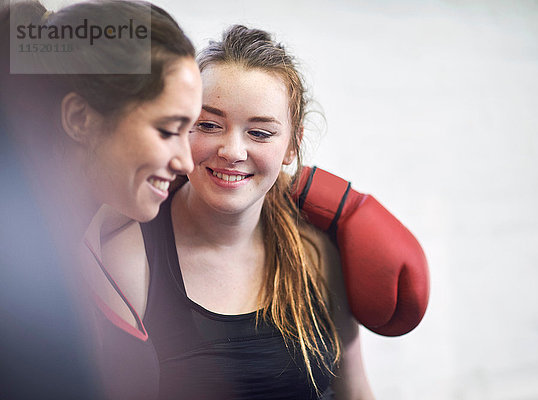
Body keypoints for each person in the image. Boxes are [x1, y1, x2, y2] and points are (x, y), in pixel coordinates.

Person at [140, 25, 375, 399]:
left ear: (291, 148)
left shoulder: (316, 252)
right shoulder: (134, 246)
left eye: (260, 133)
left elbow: (355, 389)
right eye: (209, 125)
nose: (232, 151)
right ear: (182, 126)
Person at [0, 1, 203, 398]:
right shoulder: (18, 269)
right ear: (79, 118)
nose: (187, 162)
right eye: (167, 130)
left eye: (191, 130)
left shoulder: (87, 225)